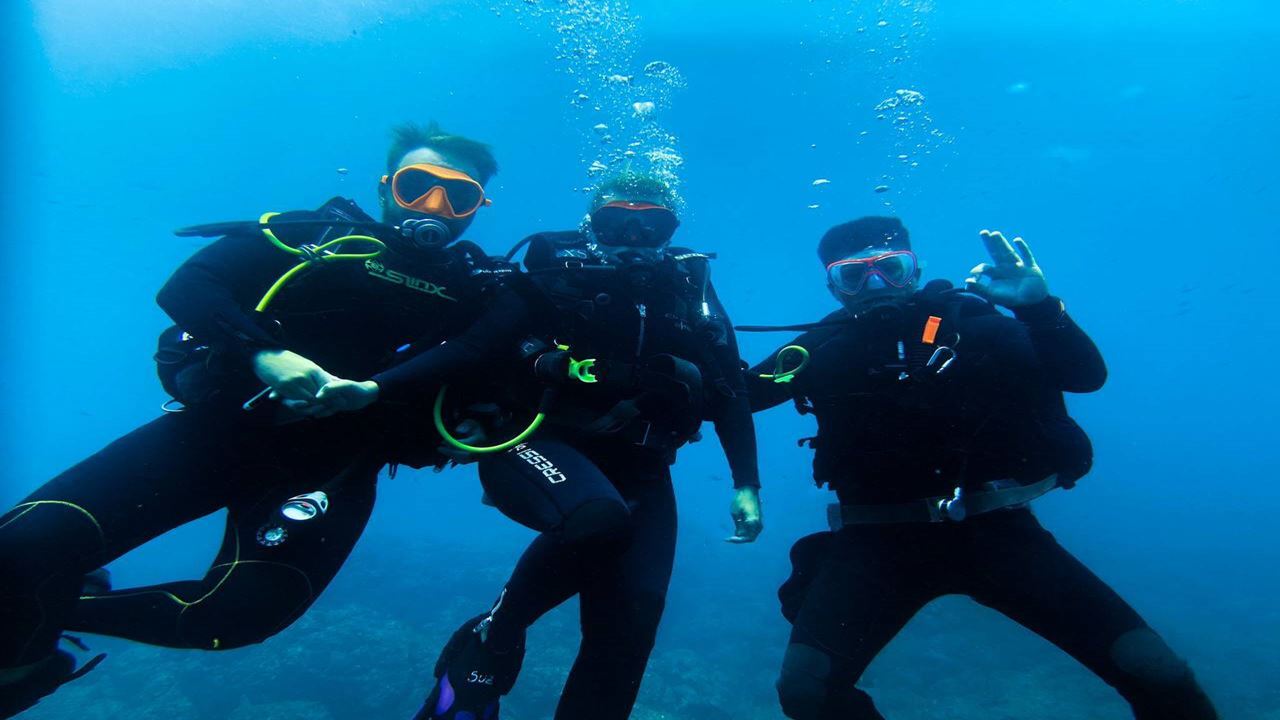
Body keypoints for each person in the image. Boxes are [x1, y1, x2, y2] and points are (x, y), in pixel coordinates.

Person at [0, 122, 503, 717]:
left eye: (459, 195)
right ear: (385, 186)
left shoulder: (477, 290)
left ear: (478, 208)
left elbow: (498, 375)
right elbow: (189, 286)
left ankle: (57, 604)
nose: (434, 206)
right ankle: (27, 663)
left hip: (330, 468)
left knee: (234, 618)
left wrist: (478, 424)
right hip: (214, 434)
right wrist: (264, 355)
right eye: (416, 186)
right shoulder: (308, 235)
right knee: (20, 548)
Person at [325, 170, 764, 719]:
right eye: (615, 224)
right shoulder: (553, 266)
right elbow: (475, 346)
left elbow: (729, 386)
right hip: (537, 443)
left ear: (671, 230)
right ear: (591, 225)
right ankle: (493, 637)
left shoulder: (688, 284)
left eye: (651, 227)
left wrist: (747, 483)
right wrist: (377, 387)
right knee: (599, 518)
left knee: (634, 619)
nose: (632, 239)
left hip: (645, 464)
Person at [745, 217, 1218, 720]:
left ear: (914, 270)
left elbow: (1085, 376)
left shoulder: (970, 324)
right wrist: (694, 340)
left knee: (1154, 669)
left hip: (997, 533)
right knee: (806, 690)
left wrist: (1040, 309)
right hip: (875, 542)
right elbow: (740, 397)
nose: (875, 284)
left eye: (891, 268)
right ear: (834, 288)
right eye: (853, 275)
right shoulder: (816, 350)